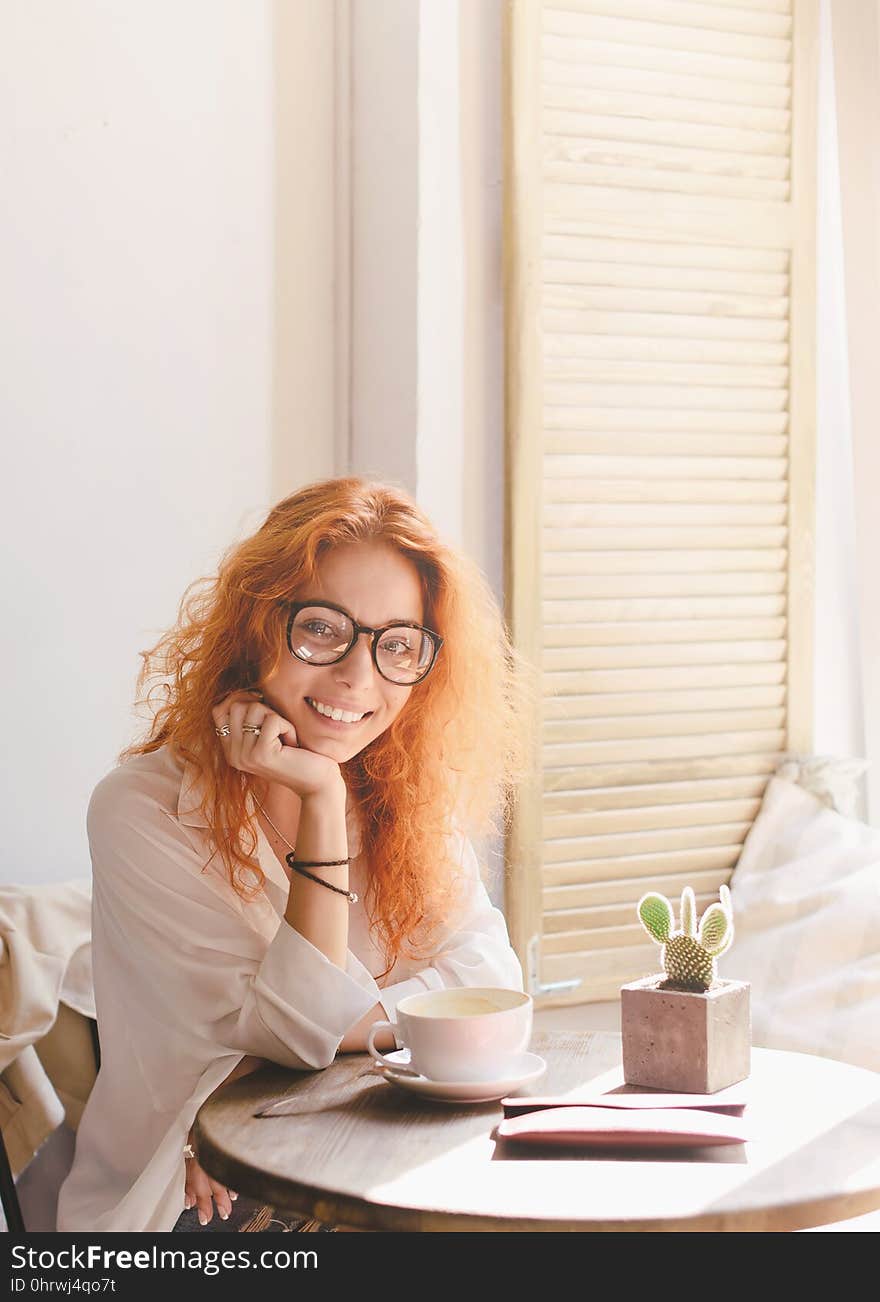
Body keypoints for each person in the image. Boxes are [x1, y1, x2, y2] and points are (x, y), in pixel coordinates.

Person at [56, 476, 537, 1232]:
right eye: (322, 628)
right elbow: (302, 1031)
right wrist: (316, 802)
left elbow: (492, 979)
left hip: (376, 1155)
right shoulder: (141, 810)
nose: (357, 675)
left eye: (397, 646)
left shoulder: (404, 794)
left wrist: (301, 1048)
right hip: (187, 1204)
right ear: (256, 623)